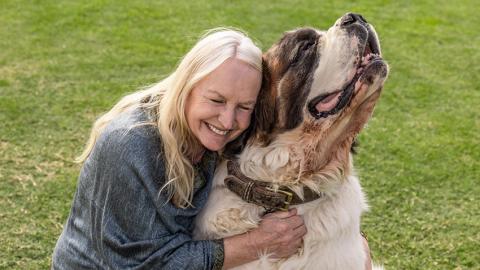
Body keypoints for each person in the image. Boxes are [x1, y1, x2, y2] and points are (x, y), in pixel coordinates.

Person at [52, 28, 307, 270]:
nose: (228, 121)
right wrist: (258, 242)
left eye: (244, 107)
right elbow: (143, 264)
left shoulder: (222, 132)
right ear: (186, 88)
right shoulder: (131, 145)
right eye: (216, 100)